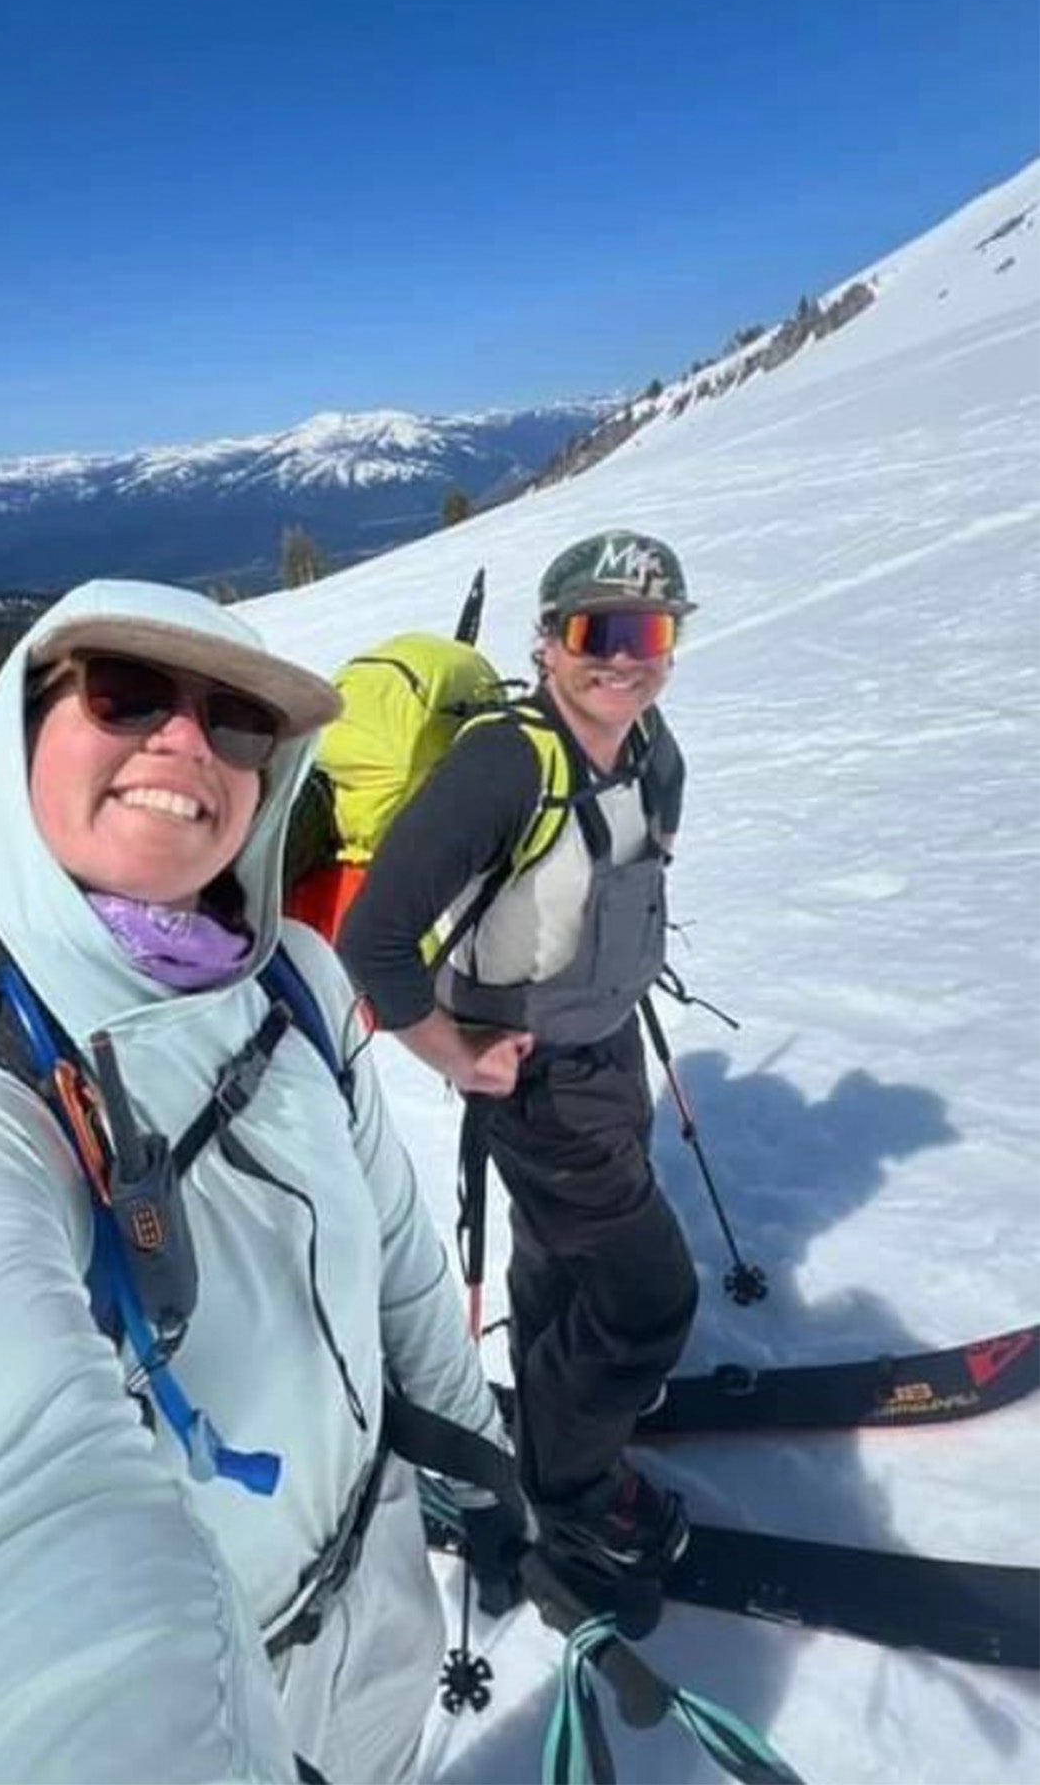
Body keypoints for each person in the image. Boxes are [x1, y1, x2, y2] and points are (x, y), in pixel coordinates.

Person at [0, 578, 509, 1785]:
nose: (186, 738)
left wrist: (481, 1461)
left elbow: (396, 1247)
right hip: (238, 1710)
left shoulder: (294, 975)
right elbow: (14, 1509)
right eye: (126, 692)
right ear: (24, 732)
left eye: (237, 719)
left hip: (384, 1603)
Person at [339, 530, 700, 1597]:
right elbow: (375, 940)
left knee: (564, 1253)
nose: (626, 657)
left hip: (606, 1042)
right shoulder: (505, 761)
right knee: (647, 1303)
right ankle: (573, 1487)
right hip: (535, 1071)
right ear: (548, 642)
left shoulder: (645, 742)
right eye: (599, 632)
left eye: (651, 631)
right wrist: (455, 1053)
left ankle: (554, 1397)